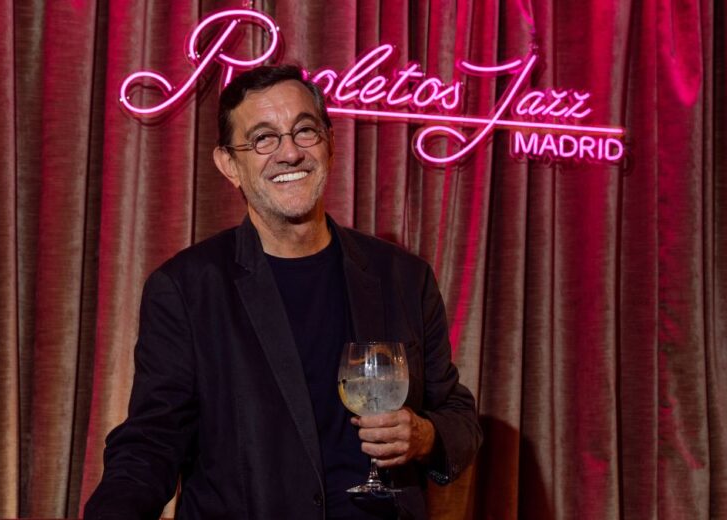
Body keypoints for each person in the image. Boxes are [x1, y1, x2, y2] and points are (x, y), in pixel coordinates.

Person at [85, 65, 481, 520]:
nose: (290, 153)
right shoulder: (186, 289)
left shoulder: (404, 277)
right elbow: (151, 442)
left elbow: (457, 415)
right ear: (228, 165)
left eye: (305, 131)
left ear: (330, 144)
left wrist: (426, 436)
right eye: (263, 139)